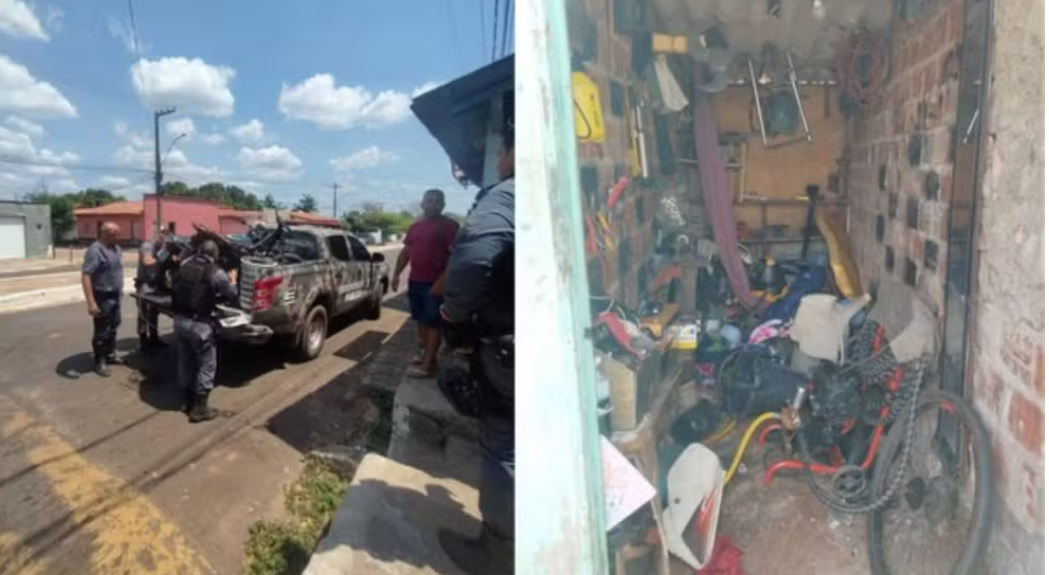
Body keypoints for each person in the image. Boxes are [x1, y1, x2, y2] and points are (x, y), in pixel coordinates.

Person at [437, 122, 514, 575]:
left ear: (511, 151)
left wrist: (453, 316)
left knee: (503, 446)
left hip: (507, 346)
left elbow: (473, 258)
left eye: (500, 152)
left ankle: (499, 551)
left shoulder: (508, 194)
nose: (499, 161)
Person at [391, 188, 460, 378]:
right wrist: (396, 275)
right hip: (415, 282)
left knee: (433, 324)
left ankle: (428, 366)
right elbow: (406, 253)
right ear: (422, 203)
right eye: (429, 201)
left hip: (435, 285)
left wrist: (442, 281)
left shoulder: (450, 226)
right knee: (421, 320)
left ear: (443, 205)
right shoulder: (415, 226)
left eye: (437, 201)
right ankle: (427, 357)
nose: (433, 204)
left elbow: (456, 257)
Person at [170, 240, 238, 423]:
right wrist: (233, 280)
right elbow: (232, 295)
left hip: (179, 321)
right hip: (199, 325)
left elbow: (173, 285)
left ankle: (187, 401)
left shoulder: (184, 265)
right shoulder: (217, 273)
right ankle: (200, 409)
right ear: (215, 255)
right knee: (207, 365)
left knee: (185, 360)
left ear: (199, 251)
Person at [81, 222, 126, 377]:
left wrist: (120, 289)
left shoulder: (116, 249)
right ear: (106, 234)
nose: (119, 237)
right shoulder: (95, 251)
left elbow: (116, 271)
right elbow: (86, 275)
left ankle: (110, 354)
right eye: (116, 234)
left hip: (115, 295)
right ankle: (99, 361)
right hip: (102, 296)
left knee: (114, 325)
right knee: (102, 331)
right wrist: (91, 302)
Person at [135, 230, 166, 351]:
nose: (163, 239)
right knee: (144, 314)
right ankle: (143, 341)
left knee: (153, 313)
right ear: (156, 235)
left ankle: (154, 338)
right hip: (145, 284)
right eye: (162, 236)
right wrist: (162, 259)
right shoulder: (147, 246)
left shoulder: (161, 249)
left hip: (155, 284)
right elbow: (147, 261)